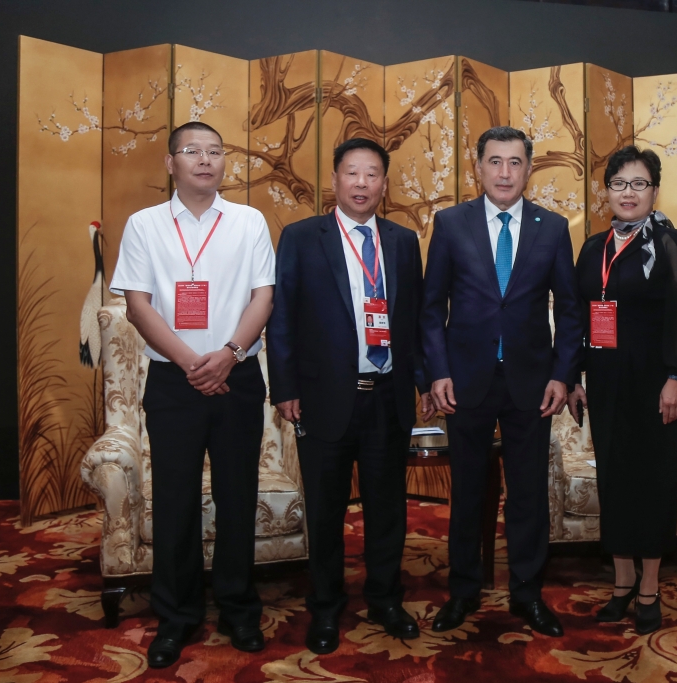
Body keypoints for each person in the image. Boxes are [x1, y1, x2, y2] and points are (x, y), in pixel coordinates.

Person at [109, 121, 276, 667]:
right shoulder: (144, 224)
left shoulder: (249, 221)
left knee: (237, 497)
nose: (205, 160)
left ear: (224, 162)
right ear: (170, 163)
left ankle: (238, 609)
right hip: (173, 383)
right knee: (175, 501)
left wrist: (228, 354)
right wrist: (191, 364)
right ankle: (176, 617)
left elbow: (264, 297)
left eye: (214, 151)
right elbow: (137, 306)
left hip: (237, 378)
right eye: (192, 151)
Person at [266, 138, 434, 654]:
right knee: (325, 510)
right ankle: (325, 605)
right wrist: (285, 387)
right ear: (335, 179)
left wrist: (424, 381)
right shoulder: (301, 237)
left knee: (388, 508)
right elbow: (282, 317)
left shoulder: (402, 242)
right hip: (323, 397)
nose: (362, 183)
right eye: (352, 173)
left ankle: (385, 599)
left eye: (372, 174)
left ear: (384, 183)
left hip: (387, 395)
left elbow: (415, 319)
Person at [422, 126, 585, 637]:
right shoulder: (450, 223)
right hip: (465, 381)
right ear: (478, 168)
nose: (505, 172)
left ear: (528, 169)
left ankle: (527, 594)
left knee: (528, 493)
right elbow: (431, 309)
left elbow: (572, 312)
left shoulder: (552, 228)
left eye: (515, 162)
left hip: (532, 384)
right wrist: (437, 372)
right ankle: (463, 592)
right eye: (495, 161)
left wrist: (563, 376)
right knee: (468, 492)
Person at [575, 145, 677, 634]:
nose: (628, 193)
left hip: (654, 386)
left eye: (639, 184)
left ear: (654, 190)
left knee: (650, 481)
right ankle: (622, 582)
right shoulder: (594, 247)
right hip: (605, 383)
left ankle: (649, 587)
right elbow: (581, 316)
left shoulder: (669, 244)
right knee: (615, 479)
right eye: (619, 184)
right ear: (606, 190)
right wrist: (576, 378)